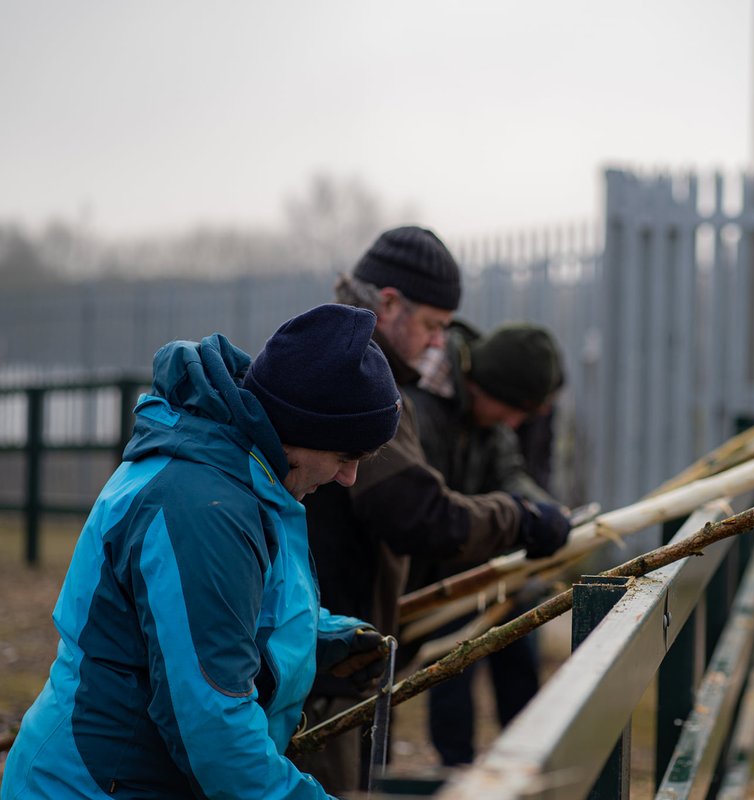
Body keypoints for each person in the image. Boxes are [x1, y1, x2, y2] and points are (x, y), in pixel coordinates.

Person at [1, 304, 401, 800]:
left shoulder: (241, 474)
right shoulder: (203, 508)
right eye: (346, 457)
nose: (349, 477)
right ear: (304, 428)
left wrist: (319, 636)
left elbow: (221, 613)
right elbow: (213, 730)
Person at [299, 227, 571, 789]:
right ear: (390, 303)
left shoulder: (359, 366)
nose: (434, 343)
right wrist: (517, 518)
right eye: (430, 326)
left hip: (344, 644)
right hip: (322, 649)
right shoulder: (353, 373)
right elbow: (414, 511)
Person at [406, 320, 566, 766]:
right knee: (449, 677)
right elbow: (428, 513)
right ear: (486, 385)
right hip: (437, 581)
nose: (514, 423)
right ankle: (454, 773)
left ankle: (528, 767)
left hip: (491, 567)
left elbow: (510, 473)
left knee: (520, 657)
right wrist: (519, 518)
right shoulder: (421, 411)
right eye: (512, 408)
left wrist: (545, 512)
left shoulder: (489, 422)